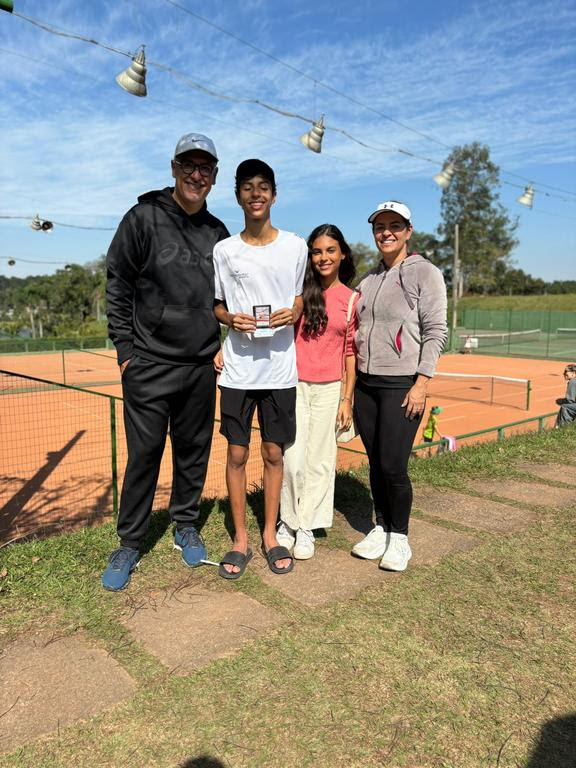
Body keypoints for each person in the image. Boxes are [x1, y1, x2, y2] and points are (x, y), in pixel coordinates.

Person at [102, 133, 229, 591]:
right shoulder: (142, 218)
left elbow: (228, 297)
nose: (197, 175)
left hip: (199, 365)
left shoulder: (218, 234)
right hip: (149, 363)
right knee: (145, 455)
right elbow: (118, 283)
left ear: (214, 177)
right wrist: (126, 354)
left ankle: (185, 524)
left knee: (193, 452)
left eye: (206, 168)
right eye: (189, 166)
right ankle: (130, 541)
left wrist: (223, 343)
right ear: (174, 168)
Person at [213, 159, 307, 579]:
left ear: (274, 194)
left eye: (263, 186)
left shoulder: (296, 246)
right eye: (247, 187)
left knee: (273, 452)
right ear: (238, 196)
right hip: (237, 371)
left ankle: (270, 535)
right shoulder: (224, 250)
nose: (256, 194)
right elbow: (216, 304)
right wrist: (230, 319)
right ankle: (240, 540)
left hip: (280, 370)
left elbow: (302, 295)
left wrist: (295, 311)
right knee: (236, 452)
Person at [351, 201, 447, 572]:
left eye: (394, 226)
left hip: (401, 384)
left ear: (408, 231)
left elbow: (436, 331)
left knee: (393, 465)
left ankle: (400, 537)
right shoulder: (368, 279)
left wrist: (422, 383)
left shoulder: (426, 274)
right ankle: (381, 526)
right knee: (375, 462)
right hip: (366, 384)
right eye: (379, 226)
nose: (386, 232)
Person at [277, 224, 358, 560]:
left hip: (330, 390)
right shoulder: (298, 294)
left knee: (321, 462)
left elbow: (350, 352)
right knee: (293, 460)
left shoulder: (352, 299)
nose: (323, 257)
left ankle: (307, 526)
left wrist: (346, 399)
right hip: (294, 385)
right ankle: (288, 521)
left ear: (342, 255)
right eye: (317, 251)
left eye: (330, 250)